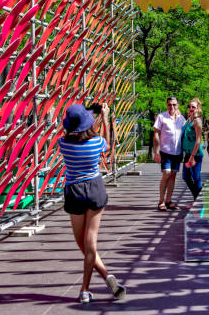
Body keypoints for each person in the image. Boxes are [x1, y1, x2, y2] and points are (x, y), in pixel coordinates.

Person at [59, 104, 126, 304]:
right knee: (90, 244)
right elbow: (109, 143)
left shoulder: (64, 144)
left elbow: (67, 132)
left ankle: (86, 289)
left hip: (74, 191)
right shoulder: (96, 143)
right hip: (95, 189)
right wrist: (105, 118)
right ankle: (104, 278)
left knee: (82, 243)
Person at [153, 96, 185, 211]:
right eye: (169, 104)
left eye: (174, 104)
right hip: (165, 151)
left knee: (173, 176)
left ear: (178, 105)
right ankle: (161, 201)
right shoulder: (161, 117)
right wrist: (156, 152)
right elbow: (156, 134)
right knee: (166, 173)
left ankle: (168, 201)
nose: (172, 107)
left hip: (177, 152)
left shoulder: (181, 118)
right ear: (167, 105)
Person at [182, 98, 204, 204]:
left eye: (193, 107)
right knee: (186, 177)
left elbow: (198, 140)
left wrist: (192, 157)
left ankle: (198, 201)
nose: (191, 108)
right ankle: (197, 198)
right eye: (189, 106)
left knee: (196, 177)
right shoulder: (188, 120)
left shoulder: (197, 121)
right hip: (188, 153)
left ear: (198, 109)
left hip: (195, 154)